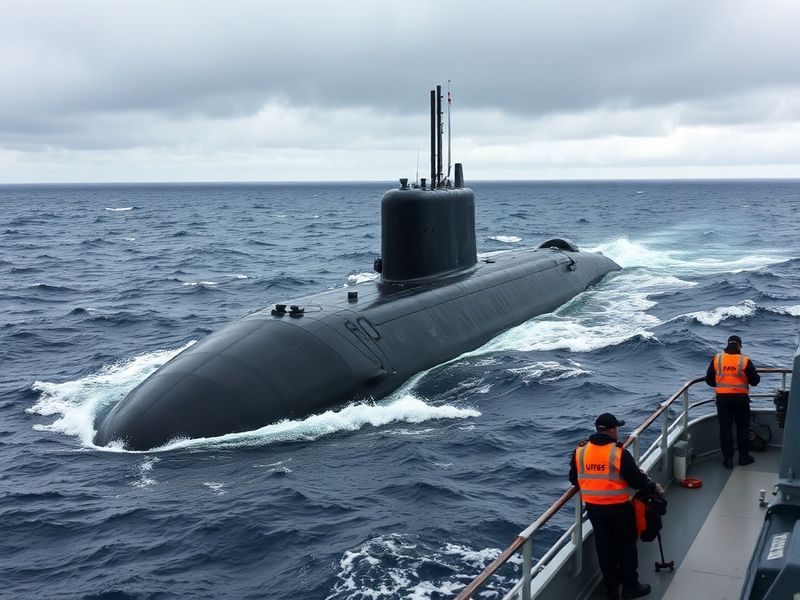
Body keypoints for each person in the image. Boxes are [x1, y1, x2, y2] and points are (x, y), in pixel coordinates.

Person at [569, 413, 662, 600]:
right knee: (626, 547)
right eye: (617, 428)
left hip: (594, 510)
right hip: (620, 509)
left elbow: (574, 479)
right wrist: (652, 486)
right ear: (611, 430)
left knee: (604, 549)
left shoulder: (580, 452)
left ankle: (611, 590)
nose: (617, 432)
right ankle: (630, 587)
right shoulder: (618, 453)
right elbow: (636, 480)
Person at [705, 335, 760, 468]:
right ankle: (743, 457)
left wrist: (721, 384)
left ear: (727, 344)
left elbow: (709, 380)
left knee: (725, 429)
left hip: (723, 399)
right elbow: (755, 381)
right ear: (739, 346)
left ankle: (728, 460)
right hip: (741, 399)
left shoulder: (718, 359)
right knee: (743, 427)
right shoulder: (745, 360)